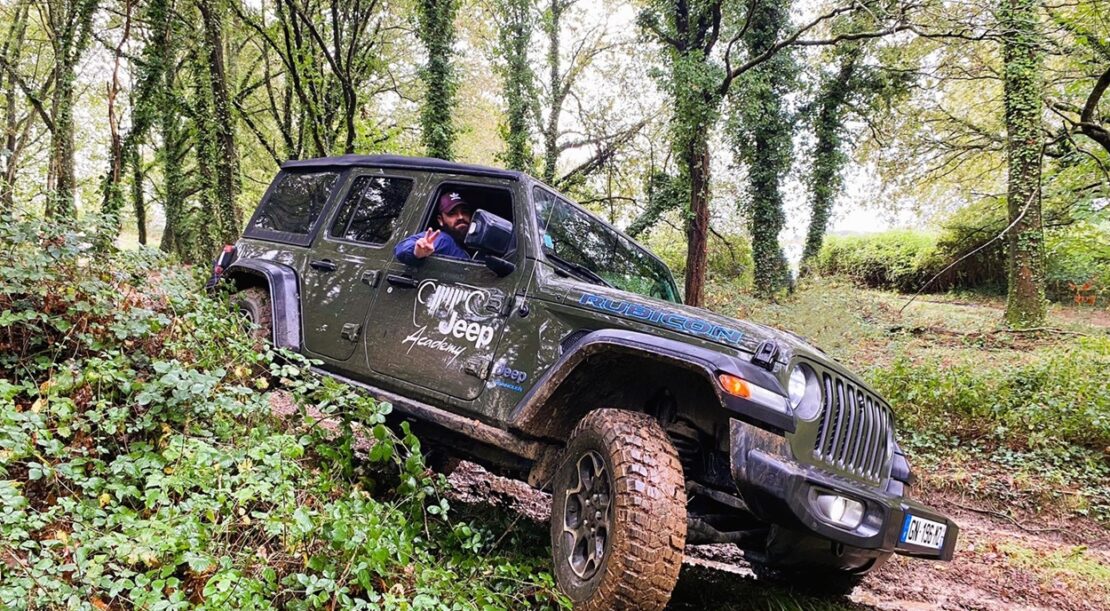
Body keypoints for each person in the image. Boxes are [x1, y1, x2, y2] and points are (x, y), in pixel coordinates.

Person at [394, 192, 474, 265]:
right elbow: (402, 248)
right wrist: (417, 252)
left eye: (464, 212)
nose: (460, 217)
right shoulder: (443, 240)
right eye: (452, 213)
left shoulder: (471, 243)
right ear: (440, 220)